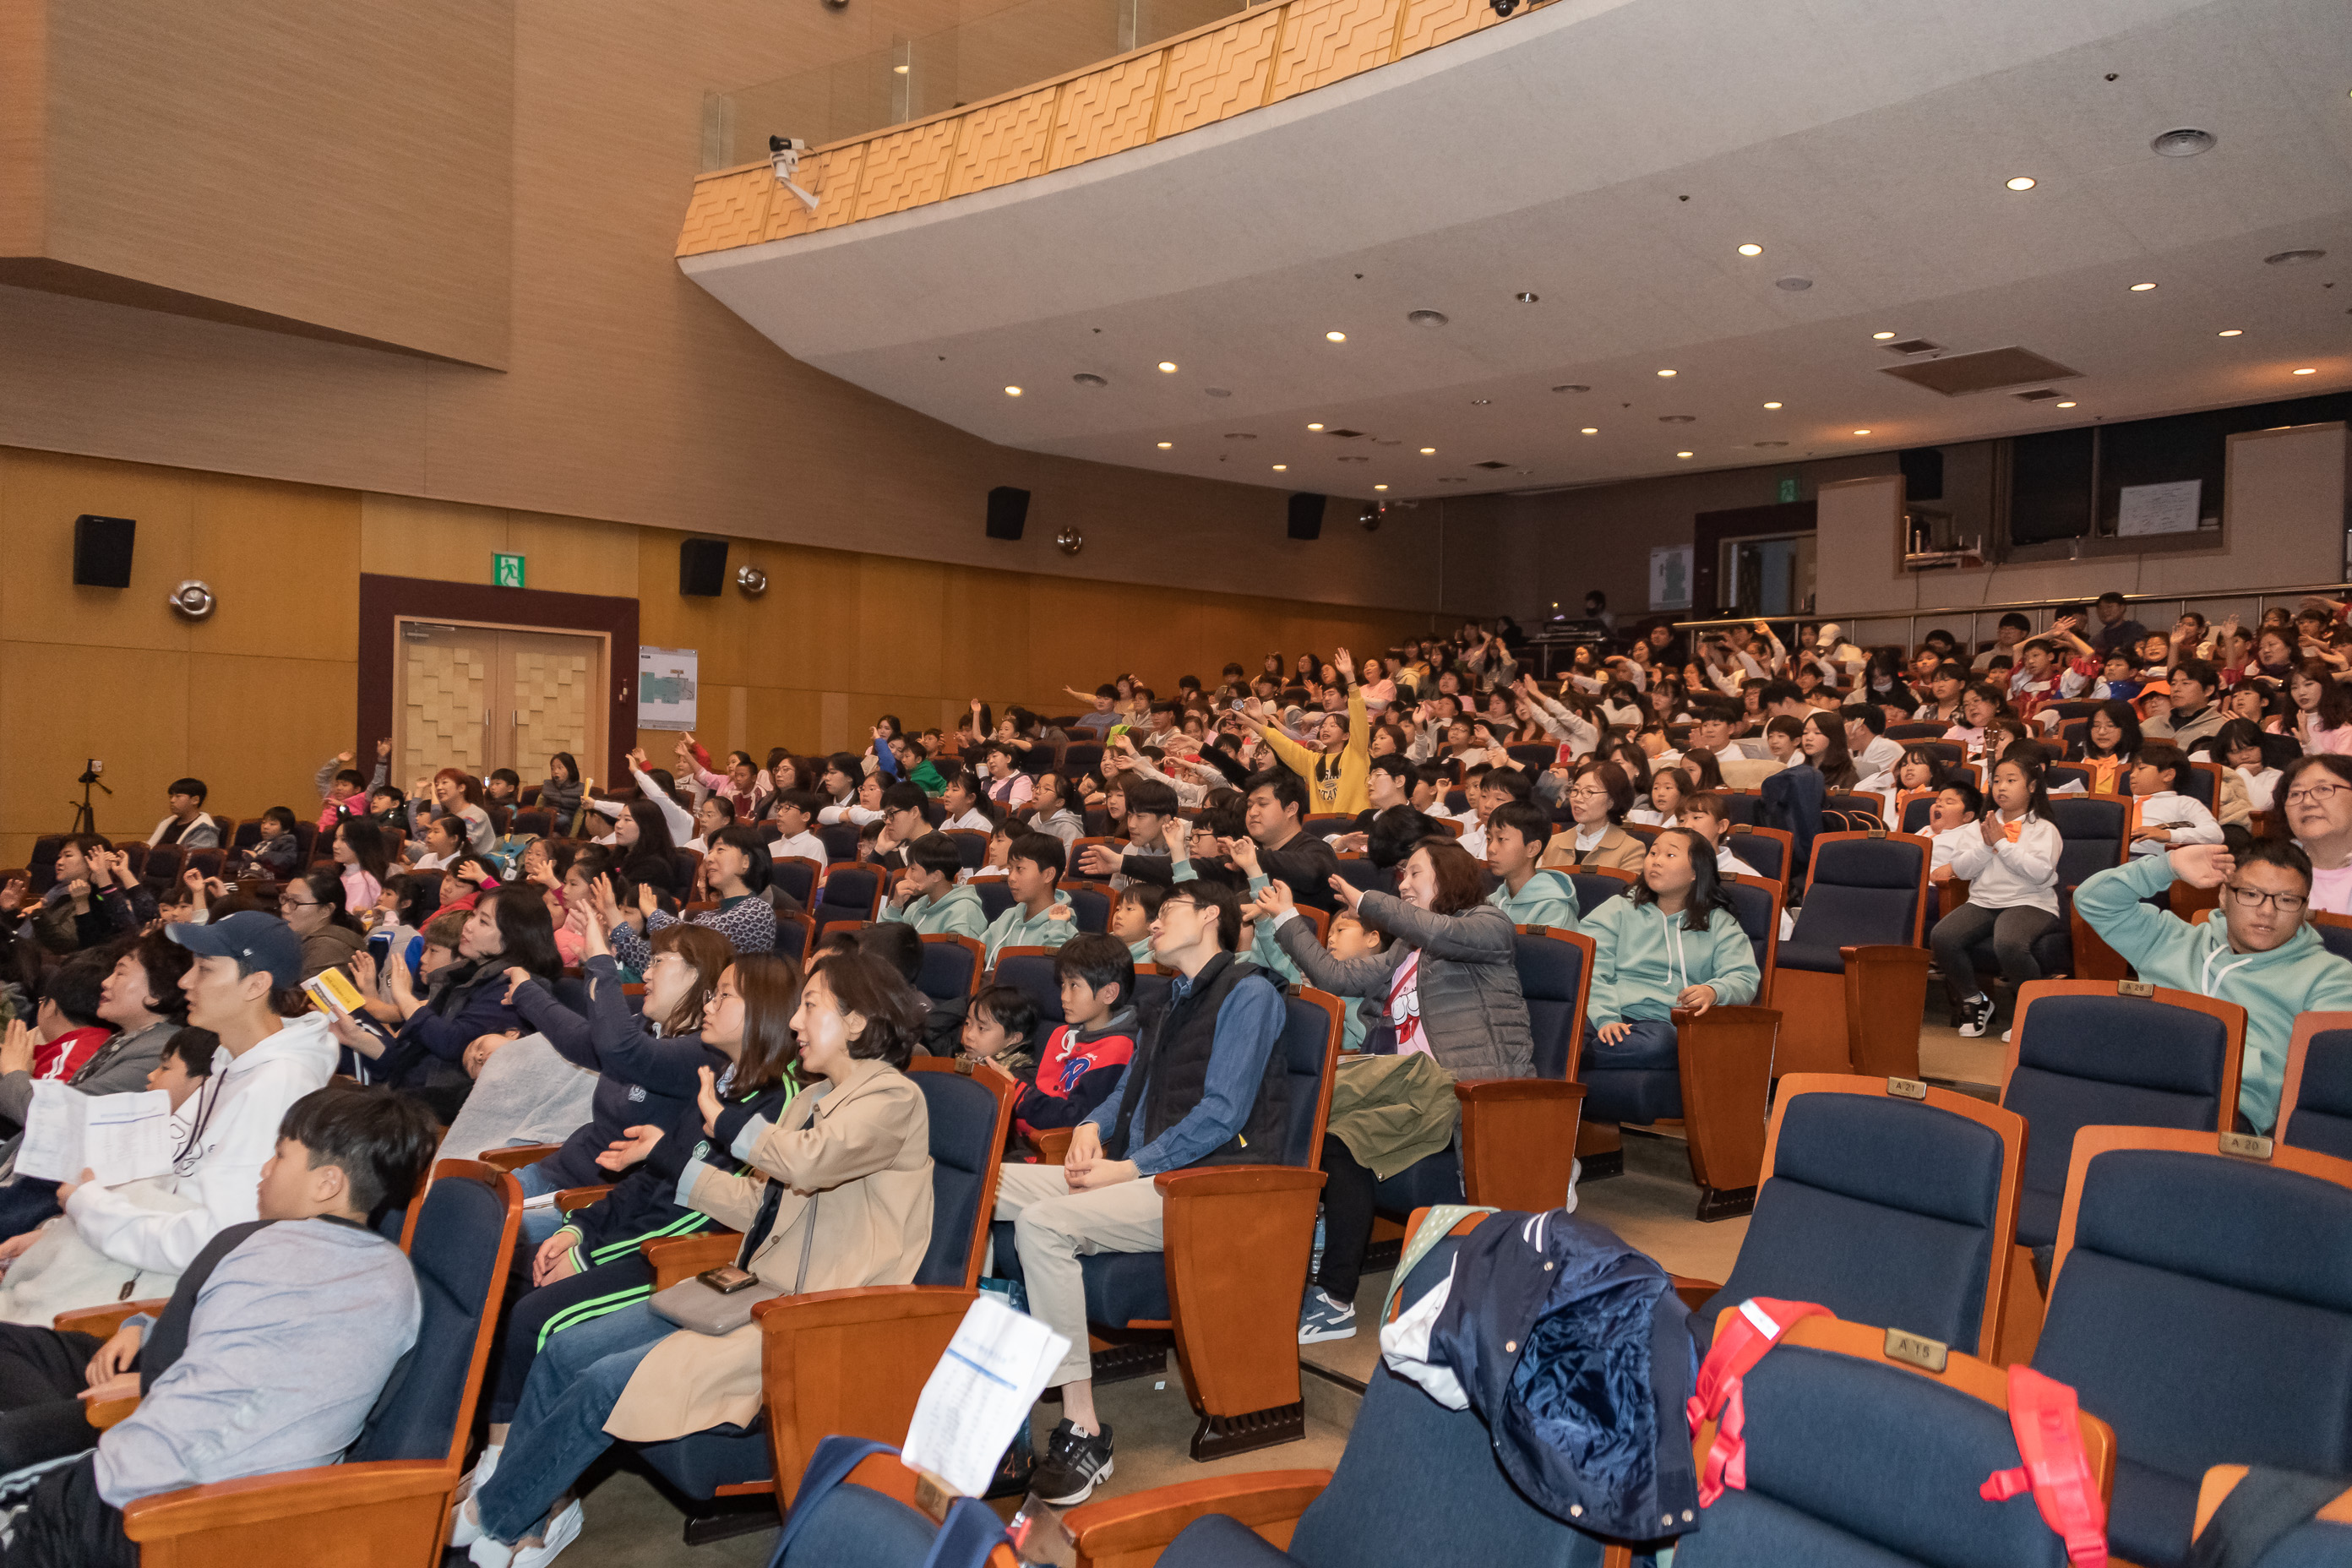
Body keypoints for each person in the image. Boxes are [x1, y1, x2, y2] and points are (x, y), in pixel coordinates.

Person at [455, 949, 932, 1566]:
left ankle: (492, 1514)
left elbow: (812, 1161)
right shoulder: (811, 1100)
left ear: (860, 1022)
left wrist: (723, 1120)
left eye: (811, 1007)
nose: (795, 1023)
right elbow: (751, 1203)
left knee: (606, 1381)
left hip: (810, 1314)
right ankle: (520, 1507)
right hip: (748, 1285)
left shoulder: (895, 1099)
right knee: (567, 1348)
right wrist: (674, 1159)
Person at [0, 1085, 438, 1568]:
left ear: (327, 1183)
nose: (265, 1169)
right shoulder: (400, 1279)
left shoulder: (248, 1242)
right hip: (262, 1512)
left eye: (280, 1156)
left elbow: (162, 1369)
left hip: (136, 1498)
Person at [989, 881, 1287, 1505]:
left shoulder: (1250, 993)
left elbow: (1222, 1115)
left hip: (1206, 1189)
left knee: (1043, 1223)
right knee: (984, 1185)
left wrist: (1132, 1169)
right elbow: (1130, 1090)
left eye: (1168, 911)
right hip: (1147, 1172)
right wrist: (1093, 1127)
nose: (1152, 922)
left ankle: (1082, 1427)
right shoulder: (1169, 997)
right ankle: (986, 1389)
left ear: (1211, 916)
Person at [487, 954, 803, 1448]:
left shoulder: (775, 1101)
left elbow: (700, 1218)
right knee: (521, 1293)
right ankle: (497, 1467)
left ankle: (511, 1481)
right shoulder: (718, 1080)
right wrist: (579, 1230)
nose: (710, 1005)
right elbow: (646, 1177)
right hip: (635, 1241)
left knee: (534, 1318)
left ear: (762, 1011)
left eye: (725, 995)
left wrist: (587, 1256)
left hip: (675, 1260)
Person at [1260, 837, 1533, 1342]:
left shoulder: (1488, 926)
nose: (1403, 885)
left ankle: (1336, 1298)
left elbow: (1436, 928)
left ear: (1448, 876)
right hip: (1400, 1089)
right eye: (1400, 877)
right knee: (1310, 1113)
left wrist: (1366, 901)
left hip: (1460, 1094)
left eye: (1414, 875)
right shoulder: (1409, 946)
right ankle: (1304, 1250)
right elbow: (1334, 975)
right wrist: (1284, 918)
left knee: (1337, 1134)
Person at [57, 914, 337, 1298]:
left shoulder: (278, 1087)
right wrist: (60, 1237)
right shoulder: (231, 1060)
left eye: (204, 968)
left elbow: (216, 1240)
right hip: (133, 1263)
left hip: (164, 1297)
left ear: (255, 985)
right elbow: (165, 1172)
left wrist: (88, 1210)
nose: (185, 981)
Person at [2080, 841, 2352, 1133]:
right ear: (2223, 895)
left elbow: (2325, 1075)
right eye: (2250, 894)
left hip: (2230, 1110)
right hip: (2138, 1085)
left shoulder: (2331, 977)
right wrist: (2166, 866)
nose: (2266, 911)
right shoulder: (2169, 940)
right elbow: (2093, 900)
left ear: (2304, 908)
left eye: (2286, 900)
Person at [0, 934, 192, 1239]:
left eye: (121, 972)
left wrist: (13, 1071)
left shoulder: (157, 1051)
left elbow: (63, 1119)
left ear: (156, 993)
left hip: (49, 1196)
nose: (106, 982)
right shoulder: (131, 1038)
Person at [1577, 828, 1761, 1126]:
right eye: (1653, 853)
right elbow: (1590, 967)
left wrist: (1714, 991)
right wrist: (1607, 1019)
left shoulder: (1719, 923)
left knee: (1660, 1044)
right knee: (1565, 1026)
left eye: (1670, 854)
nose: (1656, 861)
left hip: (1662, 1026)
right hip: (1604, 1015)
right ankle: (1567, 1052)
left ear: (1695, 873)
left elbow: (1744, 977)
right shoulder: (1618, 909)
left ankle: (1566, 1057)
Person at [358, 890, 562, 1119]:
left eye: (483, 922)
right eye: (474, 915)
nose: (468, 926)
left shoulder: (518, 985)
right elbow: (411, 1050)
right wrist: (354, 1036)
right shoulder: (468, 973)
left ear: (513, 936)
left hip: (442, 1107)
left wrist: (404, 997)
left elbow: (451, 1043)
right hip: (407, 1090)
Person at [1929, 749, 2063, 1040]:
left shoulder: (2043, 829)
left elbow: (2039, 873)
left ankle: (2033, 1011)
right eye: (1997, 780)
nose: (2001, 787)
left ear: (2031, 786)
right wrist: (1987, 844)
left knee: (2010, 942)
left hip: (2031, 902)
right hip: (1984, 901)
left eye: (2011, 780)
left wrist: (2002, 844)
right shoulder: (1979, 828)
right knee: (1943, 936)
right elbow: (1962, 870)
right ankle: (1975, 1000)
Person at [1011, 937, 1139, 1138]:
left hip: (1054, 1149)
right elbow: (1042, 1088)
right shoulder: (1061, 1034)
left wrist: (1018, 1093)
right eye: (1063, 984)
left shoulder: (1119, 1048)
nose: (1063, 996)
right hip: (1024, 1135)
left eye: (1074, 985)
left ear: (1109, 993)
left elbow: (1078, 1118)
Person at [1237, 646, 1372, 815]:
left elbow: (1359, 717)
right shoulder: (1312, 761)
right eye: (1323, 726)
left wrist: (1349, 677)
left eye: (1333, 725)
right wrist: (1255, 720)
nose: (1325, 729)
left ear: (1347, 735)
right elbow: (1282, 743)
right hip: (1320, 828)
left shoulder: (1356, 752)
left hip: (1353, 824)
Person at [618, 824, 777, 959]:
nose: (708, 859)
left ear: (745, 862)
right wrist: (613, 917)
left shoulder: (758, 911)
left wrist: (652, 912)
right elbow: (654, 961)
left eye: (720, 850)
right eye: (710, 852)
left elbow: (691, 942)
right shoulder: (708, 916)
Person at [979, 832, 1076, 968]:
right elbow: (977, 955)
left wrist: (1056, 927)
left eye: (1020, 869)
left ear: (1048, 875)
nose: (1011, 878)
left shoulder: (1063, 929)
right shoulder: (1007, 918)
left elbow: (1055, 975)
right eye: (1009, 869)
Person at [1484, 801, 1580, 928]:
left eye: (1501, 839)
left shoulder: (1554, 909)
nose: (1491, 849)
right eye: (1489, 839)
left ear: (1532, 849)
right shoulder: (1491, 902)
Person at [1538, 761, 1646, 872]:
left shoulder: (1631, 849)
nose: (1577, 798)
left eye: (1589, 791)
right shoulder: (1554, 843)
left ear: (1612, 800)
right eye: (1575, 790)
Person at [879, 834, 988, 939]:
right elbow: (886, 947)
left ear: (936, 876)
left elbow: (957, 955)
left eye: (913, 869)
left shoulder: (964, 912)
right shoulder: (915, 908)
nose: (907, 875)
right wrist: (896, 906)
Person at [2127, 744, 2223, 858]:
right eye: (2132, 770)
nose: (2132, 775)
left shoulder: (2184, 803)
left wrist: (2169, 835)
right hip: (2110, 855)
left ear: (2168, 775)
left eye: (2141, 768)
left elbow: (2215, 834)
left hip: (2151, 860)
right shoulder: (2119, 805)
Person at [1678, 791, 1761, 879]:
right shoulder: (1672, 866)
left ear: (1721, 826)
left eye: (1696, 818)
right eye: (1681, 820)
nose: (1686, 826)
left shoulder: (1745, 876)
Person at [2145, 659, 2226, 748]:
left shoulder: (2221, 728)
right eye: (2173, 684)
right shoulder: (2148, 726)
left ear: (2208, 690)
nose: (2176, 689)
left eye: (2185, 683)